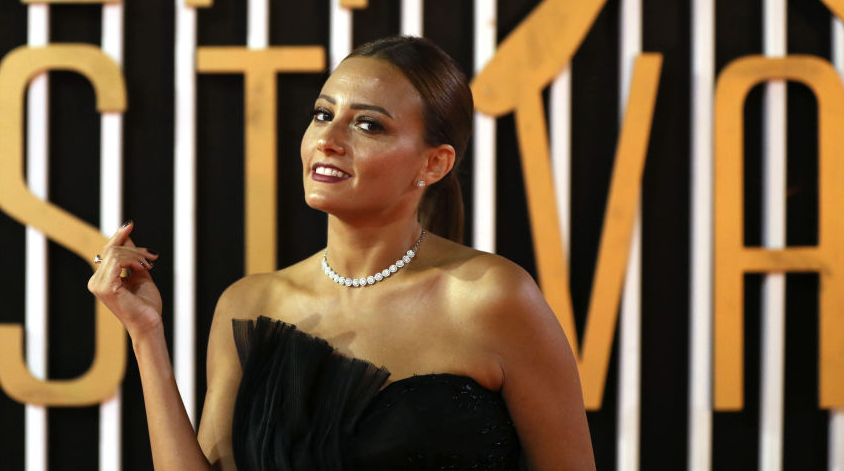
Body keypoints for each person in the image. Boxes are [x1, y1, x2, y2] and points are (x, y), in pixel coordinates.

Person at [88, 36, 595, 470]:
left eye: (368, 125)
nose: (328, 139)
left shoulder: (492, 297)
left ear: (434, 164)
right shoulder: (250, 305)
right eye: (323, 114)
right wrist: (146, 337)